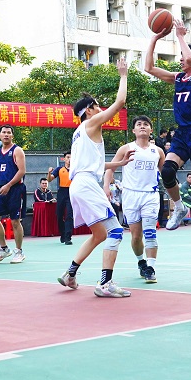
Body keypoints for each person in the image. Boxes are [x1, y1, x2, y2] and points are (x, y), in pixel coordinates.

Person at [144, 19, 191, 269]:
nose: (180, 60)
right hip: (183, 135)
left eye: (184, 58)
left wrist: (180, 36)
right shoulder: (178, 78)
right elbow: (149, 68)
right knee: (167, 172)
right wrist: (155, 38)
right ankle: (178, 207)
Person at [58, 57, 134, 296]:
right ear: (89, 110)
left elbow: (92, 164)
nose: (101, 108)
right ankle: (105, 284)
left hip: (78, 184)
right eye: (97, 105)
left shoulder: (79, 133)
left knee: (100, 234)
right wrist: (123, 75)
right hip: (86, 184)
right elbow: (120, 103)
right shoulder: (91, 123)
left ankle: (70, 274)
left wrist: (118, 163)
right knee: (115, 231)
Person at [105, 115, 164, 284]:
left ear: (151, 130)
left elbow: (166, 173)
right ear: (133, 130)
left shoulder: (158, 151)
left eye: (146, 124)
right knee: (136, 236)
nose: (142, 126)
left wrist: (174, 193)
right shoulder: (126, 148)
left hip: (150, 195)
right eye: (139, 124)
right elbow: (110, 169)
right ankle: (141, 262)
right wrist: (106, 186)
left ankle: (151, 268)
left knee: (150, 232)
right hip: (130, 195)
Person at [0, 125, 27, 263]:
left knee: (15, 221)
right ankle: (4, 249)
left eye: (9, 132)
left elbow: (22, 171)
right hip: (2, 189)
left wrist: (9, 185)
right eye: (4, 132)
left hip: (15, 189)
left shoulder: (17, 150)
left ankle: (19, 251)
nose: (6, 134)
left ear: (12, 136)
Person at [47, 152, 73, 245]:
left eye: (71, 157)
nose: (69, 159)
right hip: (62, 192)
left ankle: (68, 237)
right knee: (59, 215)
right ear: (64, 159)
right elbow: (50, 179)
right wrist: (49, 173)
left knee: (69, 215)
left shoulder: (76, 169)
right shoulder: (59, 169)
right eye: (68, 157)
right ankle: (62, 234)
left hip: (72, 192)